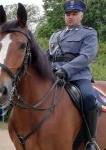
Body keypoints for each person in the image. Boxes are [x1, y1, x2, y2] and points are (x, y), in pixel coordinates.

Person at [46, 0, 99, 149]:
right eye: (68, 14)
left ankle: (90, 140)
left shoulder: (88, 33)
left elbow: (87, 56)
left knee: (89, 98)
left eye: (74, 14)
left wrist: (66, 70)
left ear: (81, 16)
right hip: (54, 76)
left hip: (78, 76)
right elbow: (47, 57)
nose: (70, 16)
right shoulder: (55, 36)